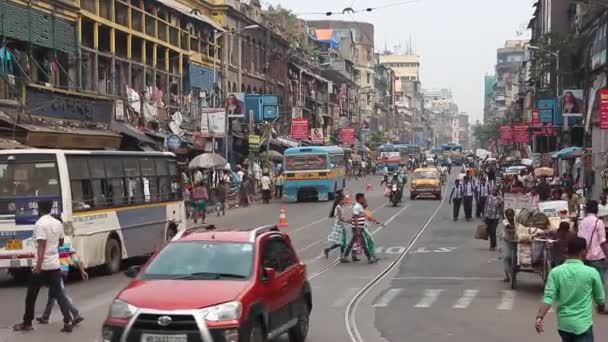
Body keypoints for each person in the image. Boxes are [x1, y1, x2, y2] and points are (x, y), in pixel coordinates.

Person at [13, 201, 74, 332]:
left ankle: (27, 323)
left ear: (40, 209)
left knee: (31, 296)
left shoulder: (40, 224)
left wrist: (39, 266)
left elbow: (41, 246)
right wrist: (53, 248)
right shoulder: (57, 223)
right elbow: (61, 241)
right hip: (55, 264)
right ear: (50, 209)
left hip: (43, 266)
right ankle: (68, 322)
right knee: (59, 294)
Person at [535, 237, 605, 341]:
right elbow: (600, 299)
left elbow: (548, 298)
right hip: (583, 325)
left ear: (567, 251)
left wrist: (539, 317)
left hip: (564, 325)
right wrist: (601, 306)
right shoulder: (592, 273)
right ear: (583, 251)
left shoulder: (555, 272)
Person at [37, 237, 87, 325]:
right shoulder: (67, 240)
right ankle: (45, 317)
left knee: (62, 295)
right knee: (53, 294)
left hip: (55, 271)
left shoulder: (51, 240)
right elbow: (73, 256)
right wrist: (81, 269)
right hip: (64, 270)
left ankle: (75, 314)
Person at [578, 200, 608, 284]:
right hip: (598, 257)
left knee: (587, 282)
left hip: (585, 256)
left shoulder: (582, 222)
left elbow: (580, 239)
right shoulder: (599, 222)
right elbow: (602, 241)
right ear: (596, 210)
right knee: (599, 282)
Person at [343, 193, 378, 263]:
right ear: (359, 199)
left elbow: (363, 216)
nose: (364, 199)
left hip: (359, 227)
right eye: (363, 198)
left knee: (352, 242)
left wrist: (375, 221)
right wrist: (357, 229)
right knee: (364, 243)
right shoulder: (357, 207)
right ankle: (369, 258)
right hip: (357, 228)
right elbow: (355, 218)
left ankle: (345, 256)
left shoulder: (360, 206)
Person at [324, 191, 348, 259]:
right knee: (343, 241)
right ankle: (342, 256)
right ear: (340, 200)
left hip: (338, 225)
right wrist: (349, 221)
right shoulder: (338, 207)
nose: (344, 201)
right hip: (339, 226)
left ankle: (328, 250)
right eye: (343, 200)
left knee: (340, 242)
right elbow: (341, 218)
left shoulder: (339, 206)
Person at [500, 208, 516, 282]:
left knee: (516, 257)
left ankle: (514, 271)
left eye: (511, 215)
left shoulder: (516, 220)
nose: (510, 217)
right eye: (508, 215)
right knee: (506, 256)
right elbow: (509, 227)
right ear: (506, 216)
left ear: (513, 215)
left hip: (516, 241)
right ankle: (507, 276)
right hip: (506, 241)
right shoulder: (504, 222)